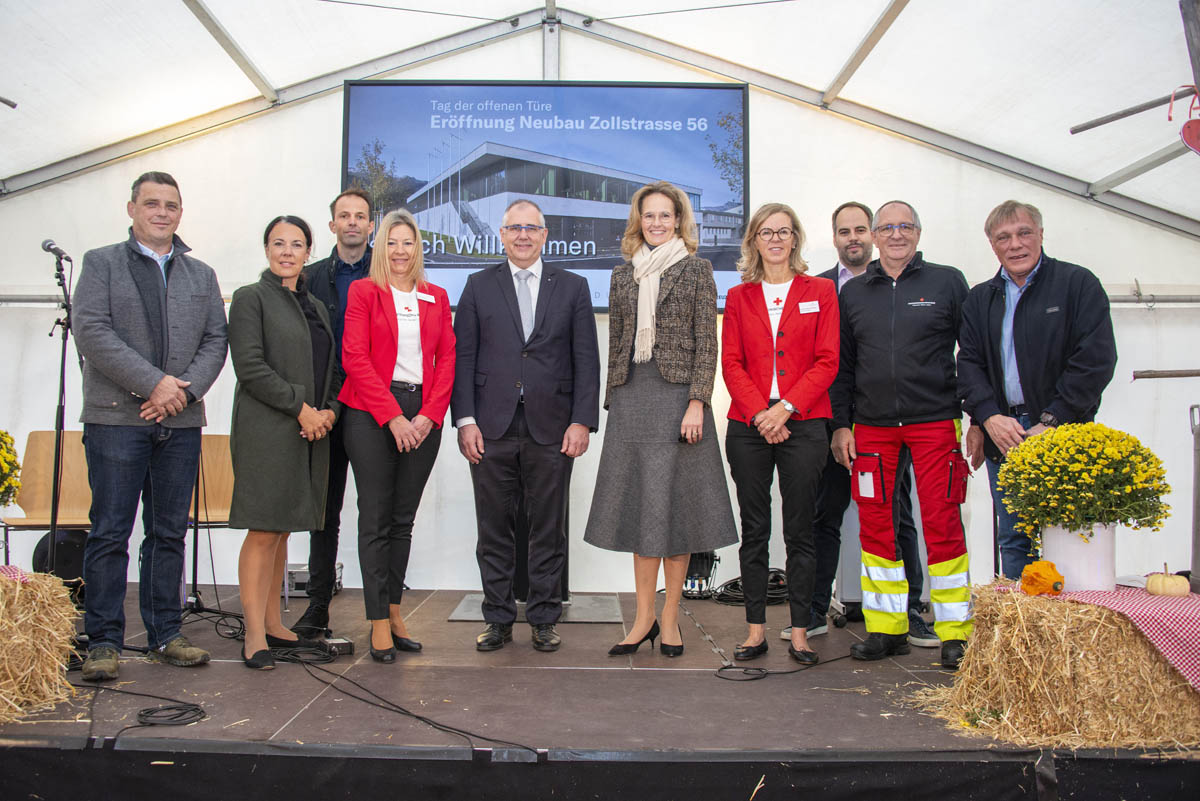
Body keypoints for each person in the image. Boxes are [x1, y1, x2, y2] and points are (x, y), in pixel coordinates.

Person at [74, 171, 228, 681]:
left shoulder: (200, 274)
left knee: (168, 532)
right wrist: (154, 384)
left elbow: (215, 340)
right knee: (110, 531)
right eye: (152, 204)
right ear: (132, 209)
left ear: (180, 213)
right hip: (116, 419)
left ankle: (166, 632)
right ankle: (103, 641)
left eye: (171, 205)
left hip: (180, 422)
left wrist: (181, 392)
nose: (162, 212)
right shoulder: (101, 264)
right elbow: (91, 330)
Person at [585, 181, 737, 658]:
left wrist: (699, 401)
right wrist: (613, 400)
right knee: (640, 512)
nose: (656, 223)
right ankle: (643, 619)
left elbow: (706, 340)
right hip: (633, 399)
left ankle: (670, 621)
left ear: (679, 221)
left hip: (677, 401)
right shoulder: (621, 274)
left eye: (665, 216)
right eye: (648, 216)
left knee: (676, 511)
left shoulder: (697, 270)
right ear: (639, 221)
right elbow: (618, 343)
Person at [829, 200, 973, 670]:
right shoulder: (852, 293)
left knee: (942, 521)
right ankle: (886, 629)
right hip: (871, 426)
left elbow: (971, 354)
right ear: (873, 234)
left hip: (935, 422)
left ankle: (955, 632)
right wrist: (841, 425)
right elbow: (842, 366)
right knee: (875, 526)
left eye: (904, 226)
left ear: (917, 231)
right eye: (886, 227)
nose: (895, 235)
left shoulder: (947, 282)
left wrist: (973, 417)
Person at [452, 198, 600, 653]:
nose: (522, 235)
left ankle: (543, 618)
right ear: (501, 235)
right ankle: (497, 618)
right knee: (493, 528)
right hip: (490, 428)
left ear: (545, 235)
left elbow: (585, 360)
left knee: (548, 529)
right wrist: (465, 420)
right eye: (514, 228)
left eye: (531, 228)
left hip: (552, 428)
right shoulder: (478, 285)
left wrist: (581, 421)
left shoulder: (573, 286)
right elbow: (464, 358)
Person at [796, 202, 936, 651]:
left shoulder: (897, 284)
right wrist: (837, 424)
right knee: (827, 513)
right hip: (833, 425)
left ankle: (912, 611)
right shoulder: (818, 288)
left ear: (872, 236)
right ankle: (816, 610)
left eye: (860, 229)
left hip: (890, 422)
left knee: (898, 516)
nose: (852, 238)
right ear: (834, 238)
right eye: (844, 231)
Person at [959, 200, 1117, 579]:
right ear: (992, 245)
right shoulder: (981, 298)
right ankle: (1021, 633)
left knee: (1071, 532)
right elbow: (968, 364)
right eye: (1004, 237)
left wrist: (1054, 418)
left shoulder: (1077, 284)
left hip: (1064, 432)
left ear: (1041, 235)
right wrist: (987, 417)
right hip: (1006, 433)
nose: (1015, 244)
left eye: (1024, 233)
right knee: (1014, 536)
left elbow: (1095, 360)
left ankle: (1068, 633)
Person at [721, 203, 838, 665]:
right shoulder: (739, 296)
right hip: (749, 426)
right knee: (755, 530)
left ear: (795, 239)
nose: (775, 239)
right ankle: (754, 631)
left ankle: (802, 631)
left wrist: (785, 409)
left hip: (805, 422)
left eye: (783, 232)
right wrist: (760, 414)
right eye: (766, 232)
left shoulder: (821, 290)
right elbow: (730, 363)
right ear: (753, 240)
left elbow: (828, 359)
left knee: (801, 531)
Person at [339, 209, 455, 663]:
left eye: (408, 243)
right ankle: (377, 622)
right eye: (392, 242)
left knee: (402, 519)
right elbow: (355, 358)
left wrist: (428, 415)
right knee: (376, 518)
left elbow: (447, 359)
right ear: (379, 246)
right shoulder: (363, 292)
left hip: (422, 414)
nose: (400, 251)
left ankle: (394, 610)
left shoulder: (436, 296)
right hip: (370, 413)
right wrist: (392, 417)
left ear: (418, 249)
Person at [228, 216, 340, 670]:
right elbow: (250, 367)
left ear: (309, 251)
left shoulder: (316, 304)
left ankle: (275, 624)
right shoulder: (250, 299)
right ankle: (254, 634)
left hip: (311, 429)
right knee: (263, 528)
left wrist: (329, 410)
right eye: (279, 243)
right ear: (267, 249)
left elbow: (331, 367)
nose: (287, 252)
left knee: (284, 529)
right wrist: (302, 408)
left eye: (296, 244)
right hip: (269, 429)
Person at [292, 189, 375, 638]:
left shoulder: (390, 271)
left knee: (378, 512)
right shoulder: (308, 277)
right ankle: (317, 607)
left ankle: (383, 613)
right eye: (344, 216)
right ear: (332, 225)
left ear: (371, 224)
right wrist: (317, 407)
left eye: (360, 216)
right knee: (323, 514)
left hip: (372, 408)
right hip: (324, 409)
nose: (352, 223)